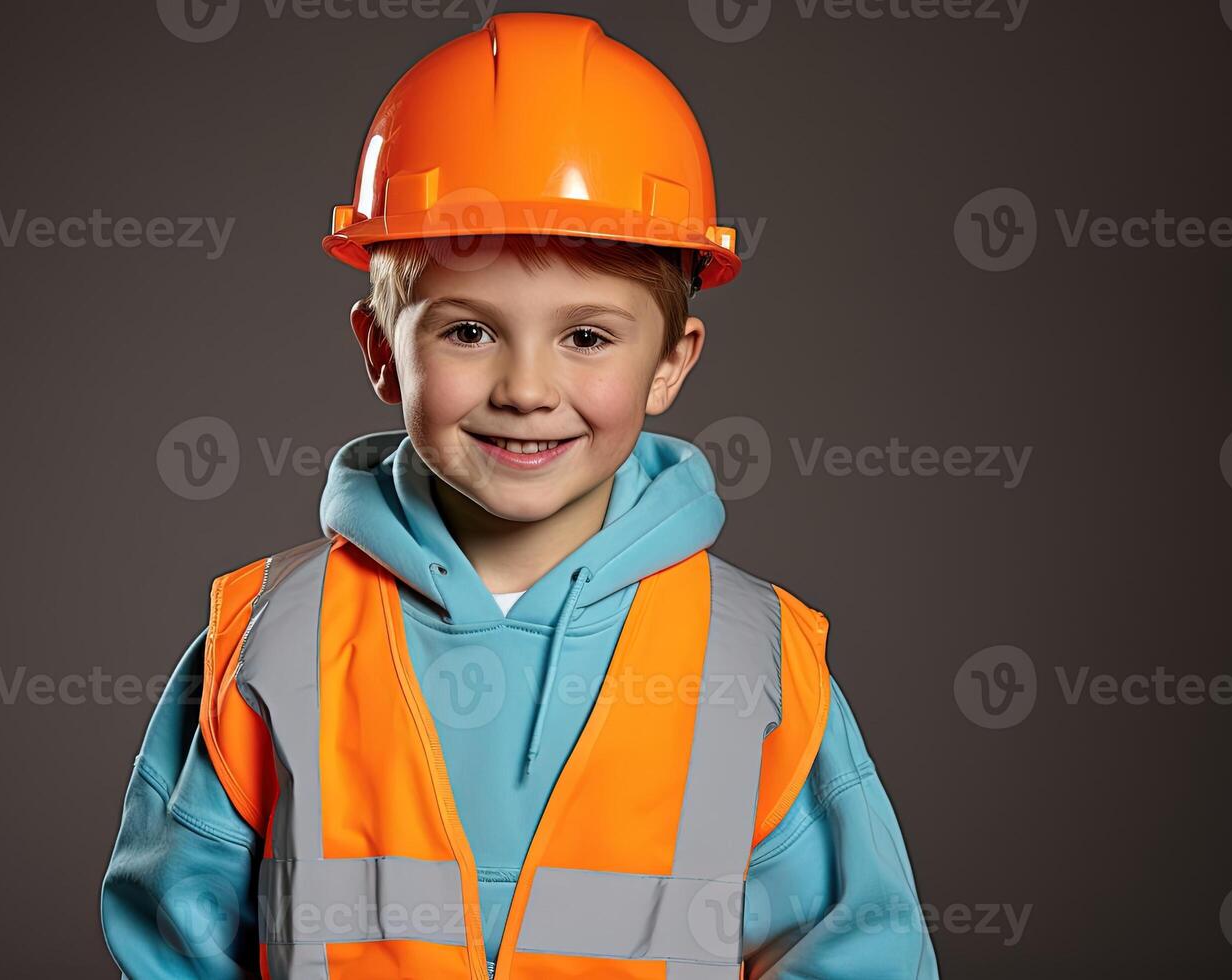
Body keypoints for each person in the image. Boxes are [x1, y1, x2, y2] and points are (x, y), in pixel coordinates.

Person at [101, 12, 939, 979]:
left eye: (587, 337)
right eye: (468, 332)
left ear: (670, 363)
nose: (527, 389)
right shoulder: (273, 638)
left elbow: (858, 951)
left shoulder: (753, 659)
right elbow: (174, 949)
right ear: (383, 351)